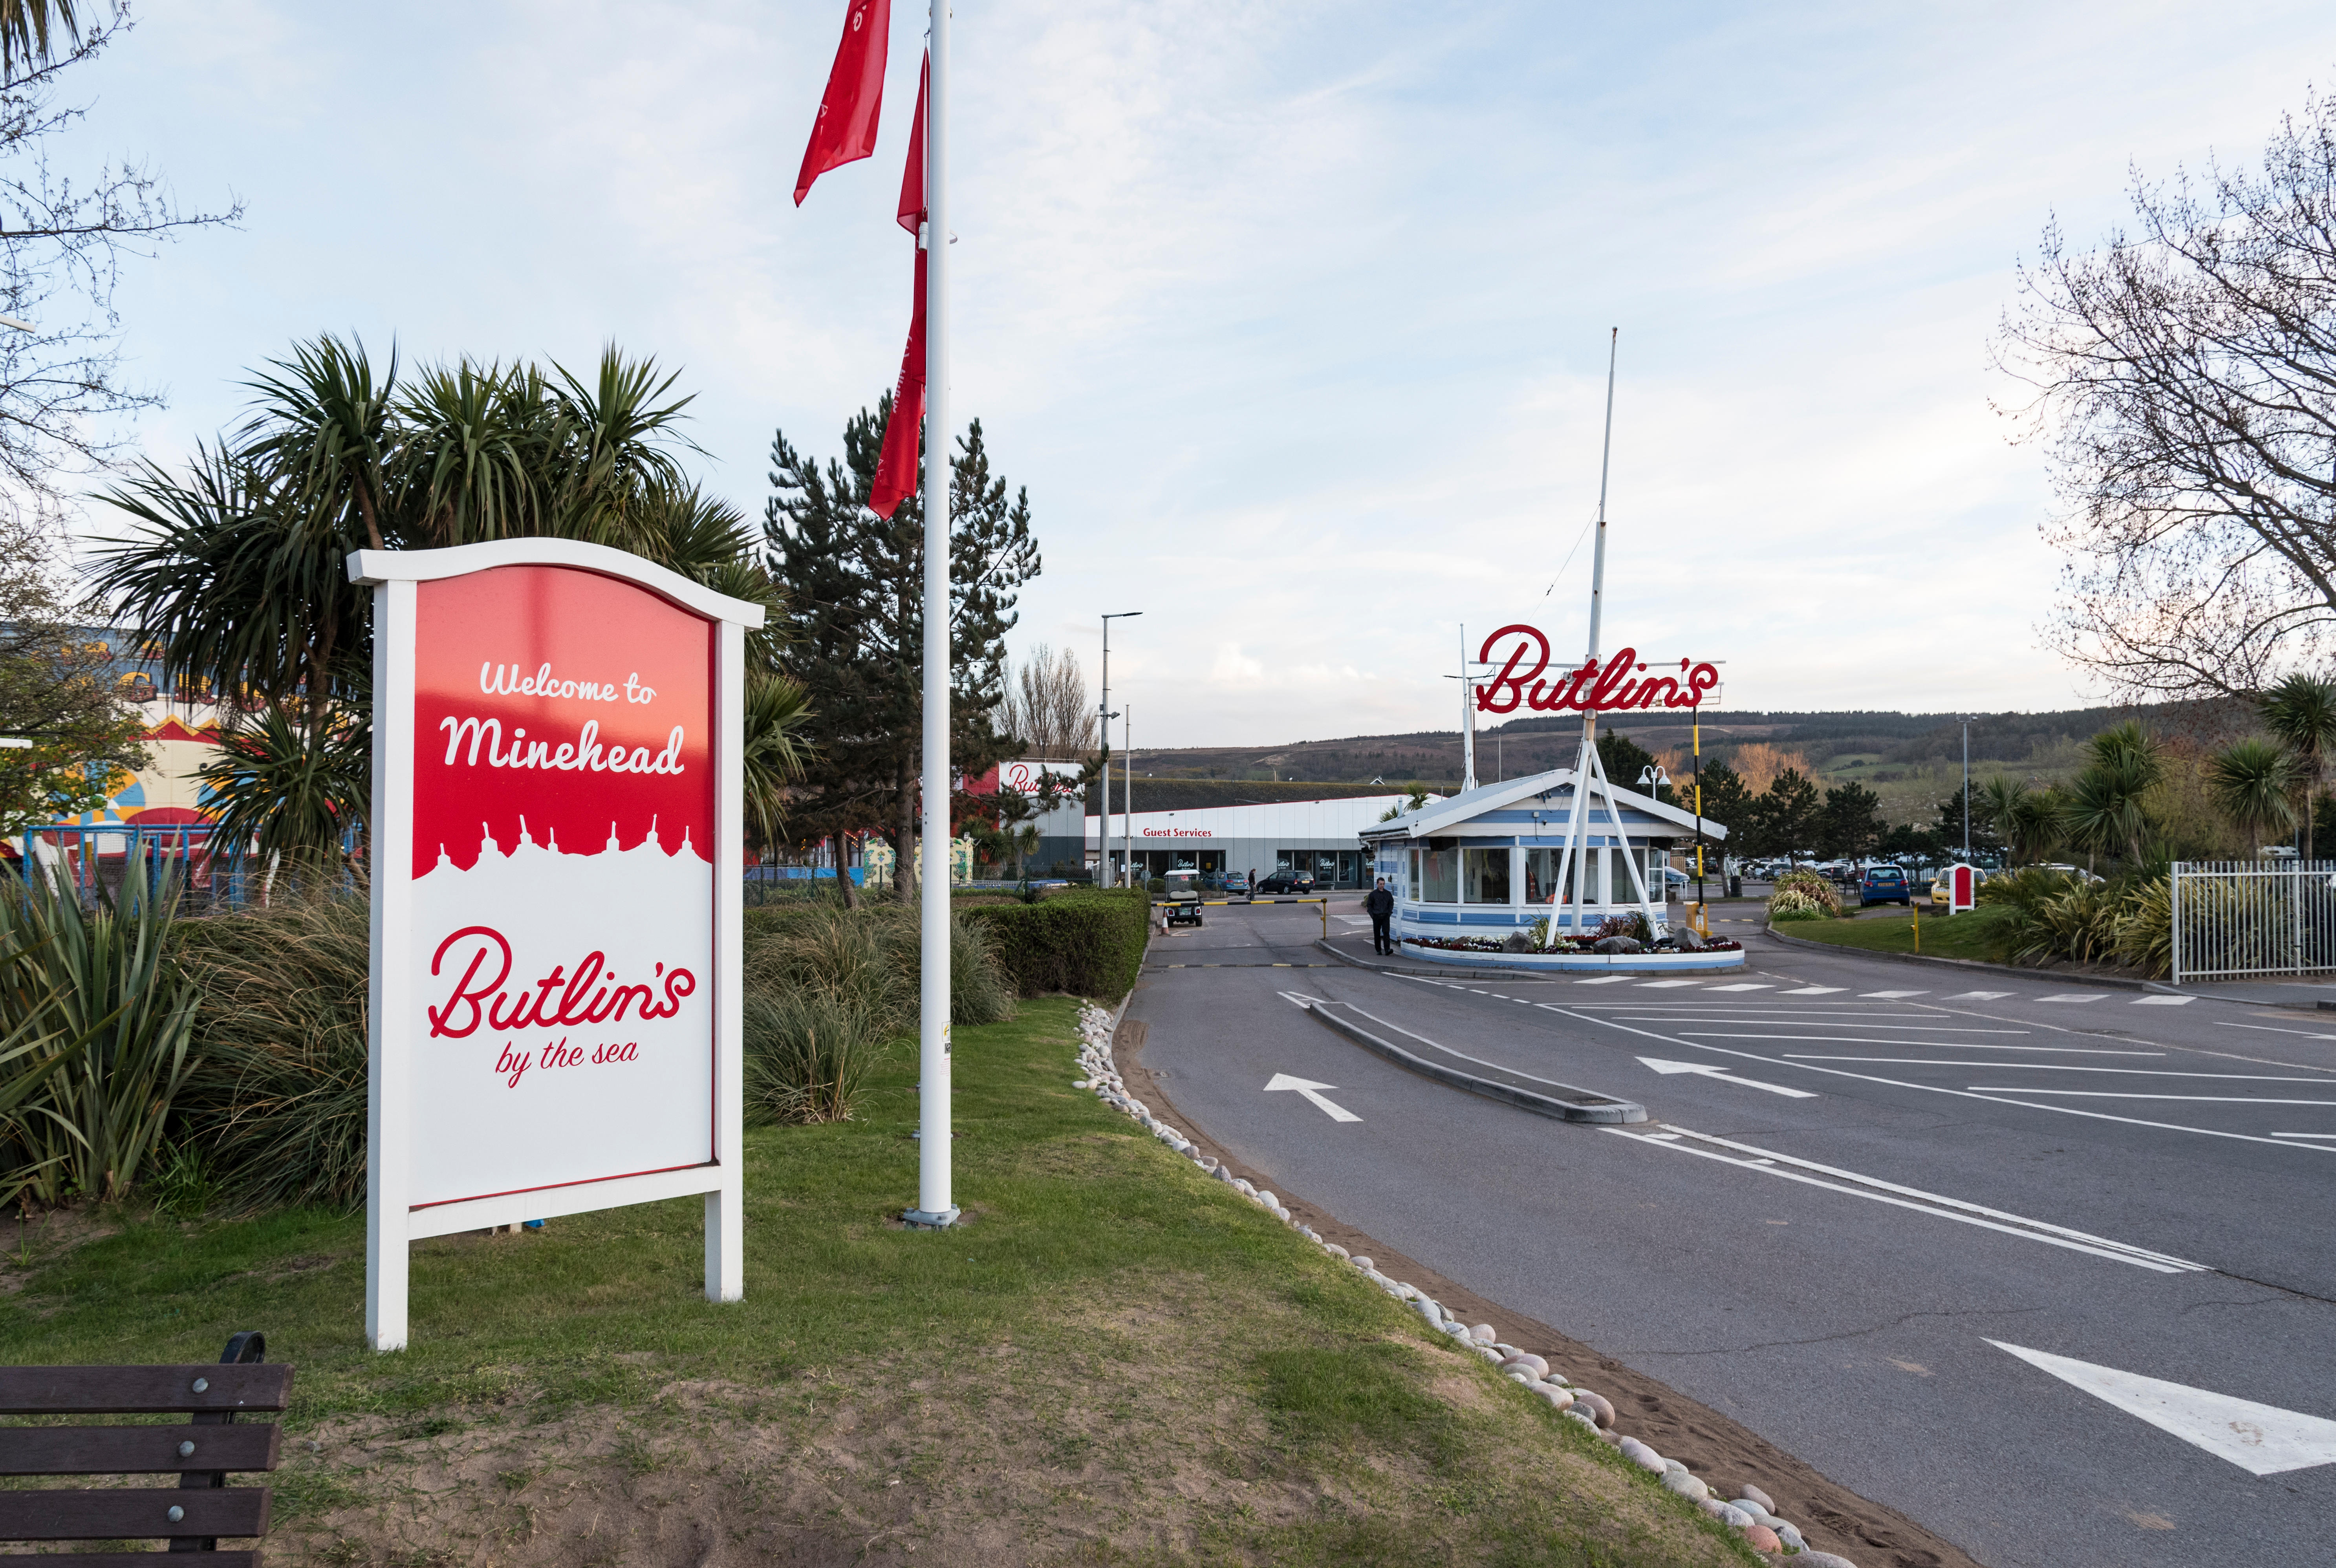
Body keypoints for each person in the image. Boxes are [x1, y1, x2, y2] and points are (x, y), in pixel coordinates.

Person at [1365, 876, 1396, 955]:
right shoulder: (1373, 895)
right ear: (1377, 884)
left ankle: (1387, 949)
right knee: (1377, 933)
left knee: (1386, 933)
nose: (1382, 886)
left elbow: (1391, 903)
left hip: (1386, 916)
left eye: (1383, 884)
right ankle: (1378, 950)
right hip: (1377, 916)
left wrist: (1389, 913)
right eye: (1381, 884)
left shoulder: (1388, 894)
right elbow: (1369, 905)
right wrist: (1372, 915)